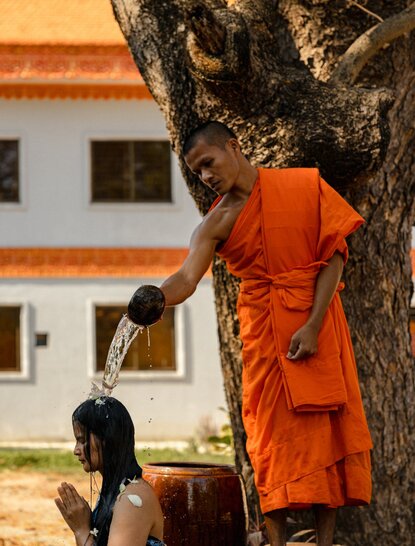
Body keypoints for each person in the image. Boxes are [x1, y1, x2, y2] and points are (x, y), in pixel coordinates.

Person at [128, 120, 373, 546]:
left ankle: (326, 542)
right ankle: (276, 540)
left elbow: (334, 254)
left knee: (325, 433)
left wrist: (312, 324)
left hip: (317, 325)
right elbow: (187, 277)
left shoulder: (302, 186)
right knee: (268, 439)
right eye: (196, 172)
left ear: (233, 147)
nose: (205, 176)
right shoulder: (215, 222)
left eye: (208, 162)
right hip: (264, 335)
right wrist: (156, 298)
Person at [55, 396, 165, 546]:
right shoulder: (117, 489)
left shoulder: (131, 500)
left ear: (107, 439)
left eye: (82, 441)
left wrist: (81, 530)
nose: (76, 450)